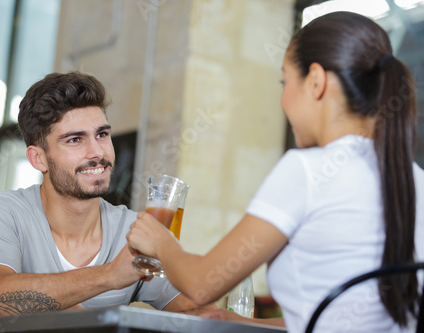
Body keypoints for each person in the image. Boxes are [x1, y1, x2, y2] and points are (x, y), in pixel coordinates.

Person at [127, 11, 424, 333]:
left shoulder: (307, 171)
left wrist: (160, 241)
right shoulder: (414, 179)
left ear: (315, 81)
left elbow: (202, 284)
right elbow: (341, 319)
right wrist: (241, 321)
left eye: (285, 81)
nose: (283, 98)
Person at [0, 72, 215, 318]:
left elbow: (199, 314)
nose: (97, 151)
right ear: (38, 158)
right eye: (75, 140)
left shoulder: (132, 230)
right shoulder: (7, 211)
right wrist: (110, 275)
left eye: (102, 135)